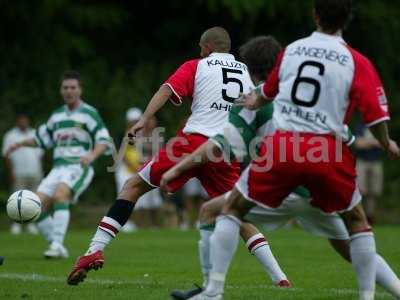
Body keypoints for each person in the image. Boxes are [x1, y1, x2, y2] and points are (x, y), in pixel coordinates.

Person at [189, 1, 400, 299]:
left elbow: (269, 90)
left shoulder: (293, 50)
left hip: (285, 152)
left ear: (315, 15)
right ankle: (368, 296)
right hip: (326, 154)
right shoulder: (356, 61)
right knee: (357, 223)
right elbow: (375, 116)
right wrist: (385, 142)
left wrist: (254, 101)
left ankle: (213, 291)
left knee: (228, 210)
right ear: (347, 20)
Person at [67, 26, 262, 285]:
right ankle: (280, 278)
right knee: (233, 212)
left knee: (132, 186)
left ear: (206, 47)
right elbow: (255, 112)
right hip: (226, 150)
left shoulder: (198, 65)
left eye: (201, 48)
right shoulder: (246, 74)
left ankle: (93, 251)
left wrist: (143, 120)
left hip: (193, 142)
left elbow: (167, 89)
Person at [6, 71, 112, 259]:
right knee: (35, 205)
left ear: (80, 90)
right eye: (65, 87)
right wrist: (19, 143)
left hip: (78, 166)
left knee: (60, 195)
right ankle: (57, 246)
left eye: (73, 87)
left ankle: (56, 245)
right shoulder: (56, 116)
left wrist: (92, 155)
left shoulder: (89, 113)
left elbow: (103, 139)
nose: (69, 91)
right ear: (61, 90)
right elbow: (41, 139)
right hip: (58, 168)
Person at [2, 113, 44, 235]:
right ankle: (16, 224)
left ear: (28, 121)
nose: (23, 122)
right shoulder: (10, 135)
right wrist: (11, 172)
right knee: (16, 200)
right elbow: (7, 155)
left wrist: (40, 171)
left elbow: (39, 154)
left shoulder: (34, 134)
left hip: (35, 172)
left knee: (34, 199)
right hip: (19, 172)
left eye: (25, 120)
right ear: (17, 121)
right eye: (21, 120)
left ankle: (32, 224)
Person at [354, 122, 384, 224]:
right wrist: (374, 142)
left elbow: (384, 143)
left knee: (374, 191)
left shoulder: (379, 126)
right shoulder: (360, 126)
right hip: (362, 161)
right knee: (360, 190)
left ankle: (370, 216)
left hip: (376, 162)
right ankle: (359, 216)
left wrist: (367, 142)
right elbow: (358, 144)